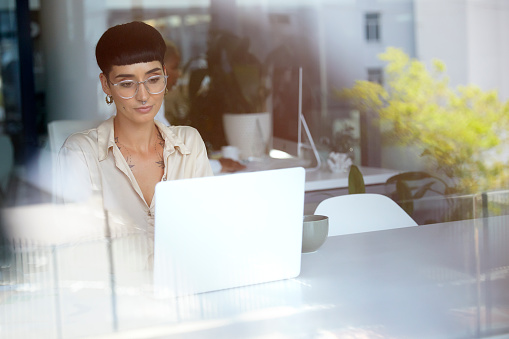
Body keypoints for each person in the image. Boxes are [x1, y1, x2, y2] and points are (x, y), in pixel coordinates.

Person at [58, 21, 213, 240]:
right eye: (127, 83)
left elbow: (207, 230)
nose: (143, 95)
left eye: (153, 79)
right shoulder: (81, 153)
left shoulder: (189, 143)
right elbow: (79, 249)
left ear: (165, 75)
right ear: (105, 85)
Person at [158, 39, 246, 173]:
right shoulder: (145, 108)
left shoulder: (157, 103)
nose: (179, 73)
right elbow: (173, 159)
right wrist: (218, 165)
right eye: (175, 67)